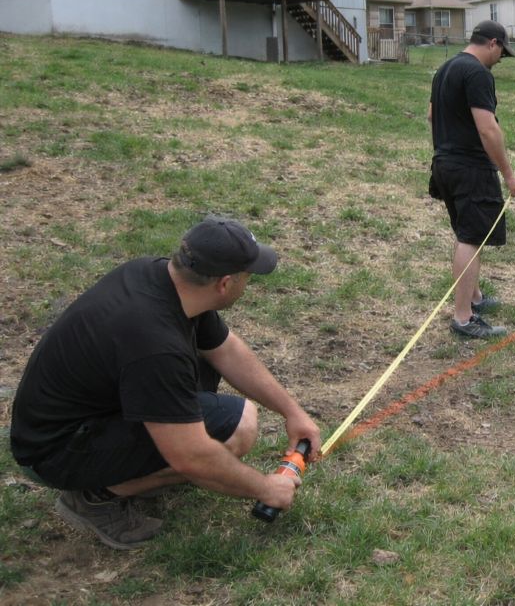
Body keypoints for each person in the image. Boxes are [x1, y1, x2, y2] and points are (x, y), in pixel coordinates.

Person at [9, 217, 322, 550]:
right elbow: (193, 458)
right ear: (225, 283)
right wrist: (265, 488)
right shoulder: (154, 345)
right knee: (237, 429)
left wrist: (292, 412)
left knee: (213, 387)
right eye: (247, 277)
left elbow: (226, 349)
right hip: (55, 451)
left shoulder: (159, 277)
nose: (248, 283)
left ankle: (138, 468)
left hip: (79, 415)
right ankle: (95, 497)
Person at [427, 20, 515, 339]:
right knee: (472, 236)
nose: (500, 60)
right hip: (469, 167)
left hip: (444, 164)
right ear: (492, 43)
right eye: (502, 53)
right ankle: (464, 318)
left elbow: (431, 115)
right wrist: (508, 174)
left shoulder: (446, 68)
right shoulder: (478, 73)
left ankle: (475, 297)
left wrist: (445, 151)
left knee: (465, 231)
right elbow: (488, 128)